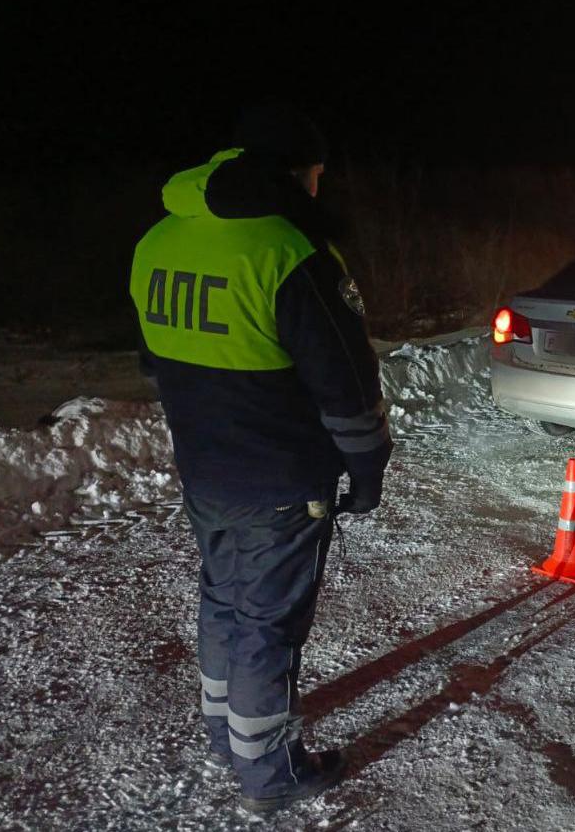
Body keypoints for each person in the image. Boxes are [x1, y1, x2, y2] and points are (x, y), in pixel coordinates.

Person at [129, 105, 391, 813]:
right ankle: (269, 770)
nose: (317, 186)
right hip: (281, 479)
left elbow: (156, 361)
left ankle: (224, 729)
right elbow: (346, 384)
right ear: (299, 173)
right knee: (269, 623)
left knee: (222, 595)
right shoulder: (290, 252)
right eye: (315, 174)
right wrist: (367, 469)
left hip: (204, 468)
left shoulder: (158, 239)